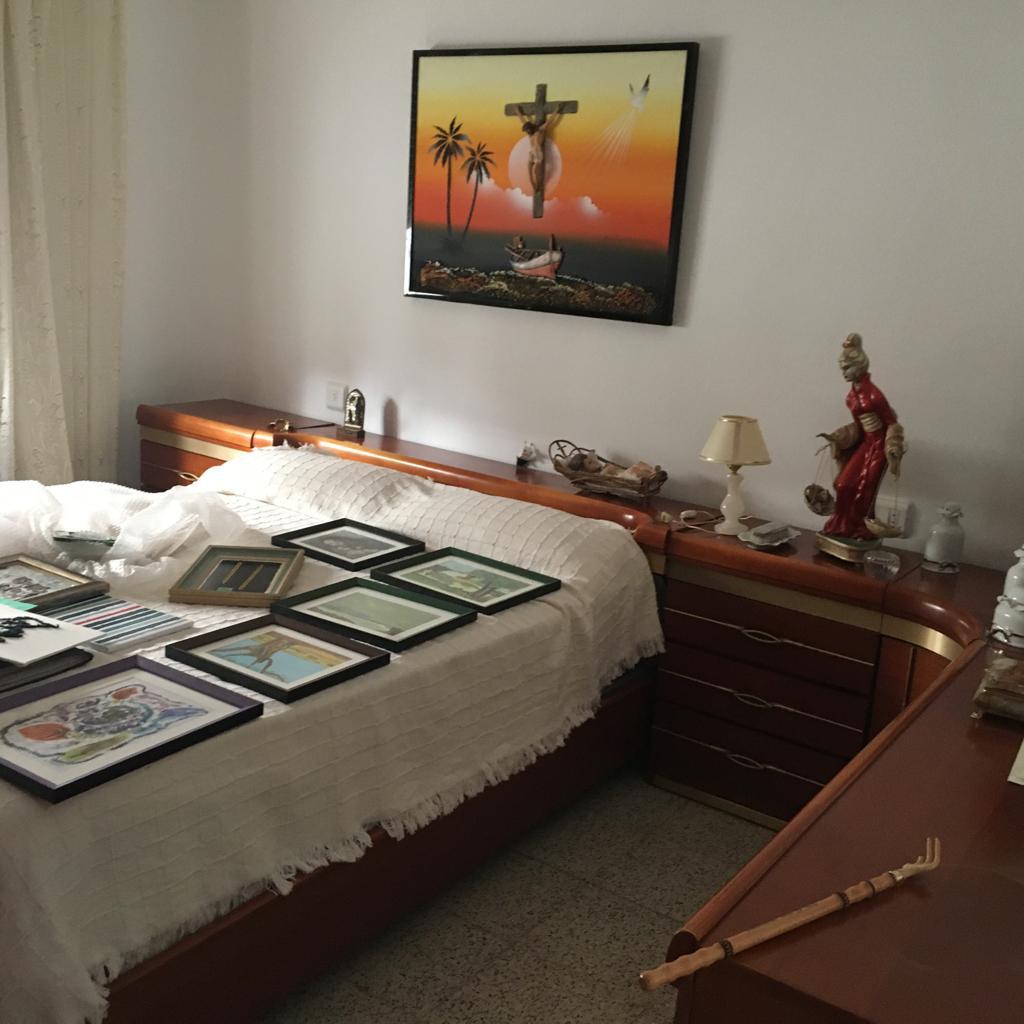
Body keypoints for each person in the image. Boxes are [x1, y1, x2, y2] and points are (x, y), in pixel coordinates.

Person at [817, 334, 905, 540]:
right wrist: (840, 437)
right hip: (866, 443)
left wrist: (893, 444)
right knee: (843, 484)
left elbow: (892, 422)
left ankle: (860, 529)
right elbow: (857, 427)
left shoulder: (874, 395)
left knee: (865, 489)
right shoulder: (851, 397)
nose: (844, 373)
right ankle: (840, 525)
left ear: (859, 366)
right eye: (842, 369)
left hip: (879, 446)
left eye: (847, 368)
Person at [516, 103, 565, 194]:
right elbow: (522, 120)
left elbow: (550, 121)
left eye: (528, 130)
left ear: (531, 128)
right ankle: (533, 186)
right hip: (532, 152)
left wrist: (557, 110)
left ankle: (538, 185)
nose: (527, 132)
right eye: (526, 131)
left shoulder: (540, 131)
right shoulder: (530, 134)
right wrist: (518, 111)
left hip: (538, 152)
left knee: (536, 171)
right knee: (529, 170)